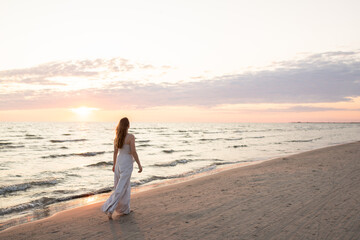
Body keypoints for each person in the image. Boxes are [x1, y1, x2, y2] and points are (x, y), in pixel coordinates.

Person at [101, 117, 142, 219]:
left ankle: (125, 209)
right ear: (128, 125)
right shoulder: (130, 137)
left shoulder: (117, 138)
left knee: (124, 186)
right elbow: (133, 151)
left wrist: (114, 165)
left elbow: (115, 153)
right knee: (121, 187)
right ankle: (109, 209)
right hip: (127, 163)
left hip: (119, 163)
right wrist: (139, 164)